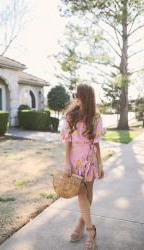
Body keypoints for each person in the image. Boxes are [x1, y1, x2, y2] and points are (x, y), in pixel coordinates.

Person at [60, 83, 104, 249]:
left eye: (78, 95)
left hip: (90, 159)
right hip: (74, 160)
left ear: (86, 97)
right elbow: (67, 142)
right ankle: (90, 229)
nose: (75, 98)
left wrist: (100, 163)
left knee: (88, 192)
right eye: (74, 95)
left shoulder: (96, 118)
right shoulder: (70, 115)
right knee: (81, 192)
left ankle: (81, 222)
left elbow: (97, 143)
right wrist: (66, 163)